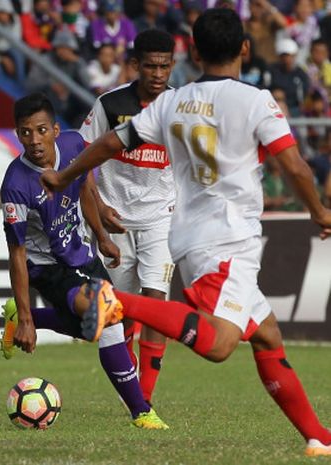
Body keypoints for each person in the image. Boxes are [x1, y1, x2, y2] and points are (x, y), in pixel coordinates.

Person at [40, 8, 331, 456]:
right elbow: (292, 164)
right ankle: (114, 301)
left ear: (193, 52)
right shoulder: (255, 100)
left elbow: (110, 143)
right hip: (228, 240)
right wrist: (319, 211)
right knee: (218, 345)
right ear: (245, 49)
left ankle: (319, 438)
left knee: (268, 336)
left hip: (187, 235)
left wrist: (63, 177)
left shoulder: (172, 102)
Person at [0, 93, 168, 429]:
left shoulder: (76, 145)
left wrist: (102, 235)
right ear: (18, 135)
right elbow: (16, 254)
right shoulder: (16, 185)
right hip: (45, 266)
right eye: (26, 132)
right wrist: (30, 323)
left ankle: (20, 317)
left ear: (56, 131)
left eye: (42, 130)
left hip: (80, 252)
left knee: (89, 325)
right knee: (108, 317)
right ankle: (141, 412)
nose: (35, 140)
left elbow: (86, 186)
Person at [79, 28, 175, 406]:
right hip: (115, 218)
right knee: (119, 308)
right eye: (150, 66)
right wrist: (99, 208)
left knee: (156, 301)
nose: (157, 74)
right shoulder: (109, 104)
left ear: (173, 65)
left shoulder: (179, 106)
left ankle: (145, 400)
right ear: (136, 65)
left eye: (164, 66)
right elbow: (83, 156)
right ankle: (132, 388)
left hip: (160, 218)